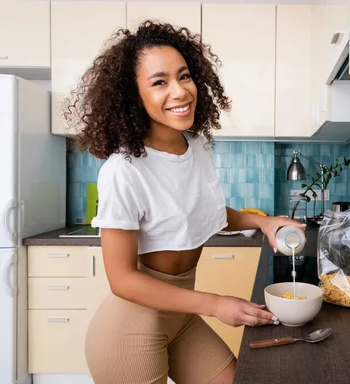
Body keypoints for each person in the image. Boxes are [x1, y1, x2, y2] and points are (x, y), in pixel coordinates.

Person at [64, 20, 305, 384]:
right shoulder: (123, 170)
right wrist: (216, 304)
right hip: (131, 328)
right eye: (159, 82)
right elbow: (123, 280)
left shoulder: (198, 146)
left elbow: (204, 214)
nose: (180, 91)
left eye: (184, 76)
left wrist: (263, 222)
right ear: (134, 95)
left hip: (180, 319)